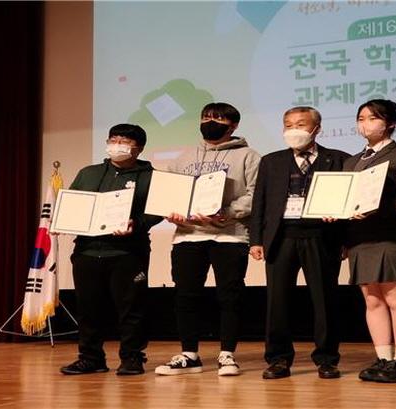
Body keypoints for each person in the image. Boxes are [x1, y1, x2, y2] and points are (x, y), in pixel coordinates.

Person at [154, 102, 260, 377]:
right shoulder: (183, 157)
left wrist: (227, 212)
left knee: (229, 296)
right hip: (187, 236)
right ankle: (189, 354)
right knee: (186, 295)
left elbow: (255, 194)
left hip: (230, 235)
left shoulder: (248, 156)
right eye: (206, 117)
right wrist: (172, 212)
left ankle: (227, 354)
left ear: (233, 126)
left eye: (218, 118)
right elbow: (169, 193)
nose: (210, 122)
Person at [249, 106, 350, 380]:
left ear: (316, 129)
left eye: (301, 124)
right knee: (277, 301)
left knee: (325, 300)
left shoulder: (338, 159)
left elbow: (348, 202)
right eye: (288, 124)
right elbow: (259, 203)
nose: (294, 130)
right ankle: (278, 359)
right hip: (281, 237)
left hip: (322, 236)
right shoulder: (271, 161)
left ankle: (327, 359)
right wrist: (256, 239)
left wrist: (346, 240)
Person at [60, 123, 163, 376]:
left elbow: (158, 210)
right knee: (88, 309)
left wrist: (137, 224)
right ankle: (90, 357)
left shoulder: (151, 177)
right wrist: (62, 221)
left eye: (124, 142)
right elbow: (73, 204)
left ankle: (132, 357)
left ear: (138, 148)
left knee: (131, 309)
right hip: (87, 251)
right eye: (113, 140)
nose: (117, 146)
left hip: (127, 253)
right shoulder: (89, 173)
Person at [342, 99, 396, 383]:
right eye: (361, 119)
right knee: (373, 300)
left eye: (372, 118)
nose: (365, 124)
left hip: (392, 235)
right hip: (360, 237)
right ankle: (383, 357)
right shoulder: (351, 161)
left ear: (390, 123)